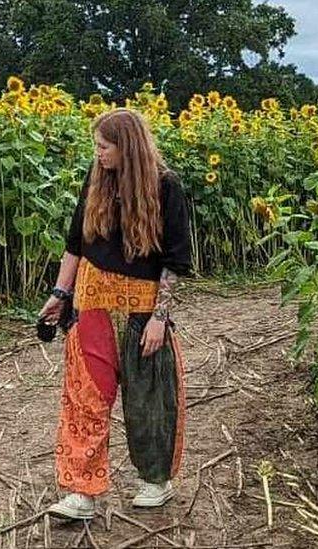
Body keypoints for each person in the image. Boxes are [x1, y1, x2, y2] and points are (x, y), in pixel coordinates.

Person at [38, 108, 192, 520]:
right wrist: (59, 293)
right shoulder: (96, 182)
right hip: (91, 305)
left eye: (104, 146)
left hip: (144, 311)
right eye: (97, 146)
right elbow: (75, 244)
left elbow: (175, 261)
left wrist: (160, 317)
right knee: (85, 397)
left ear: (127, 146)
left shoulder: (166, 186)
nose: (98, 153)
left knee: (149, 400)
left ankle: (155, 481)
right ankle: (82, 492)